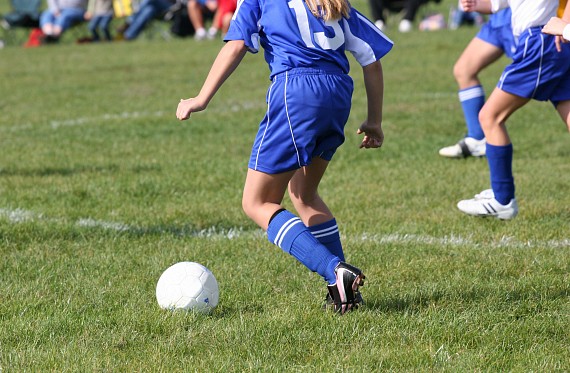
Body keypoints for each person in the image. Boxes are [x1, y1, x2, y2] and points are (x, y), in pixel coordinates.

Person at [176, 0, 393, 313]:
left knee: (257, 203)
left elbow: (236, 44)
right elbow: (371, 60)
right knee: (304, 193)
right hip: (338, 94)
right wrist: (374, 120)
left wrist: (201, 97)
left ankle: (334, 270)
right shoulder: (332, 2)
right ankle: (344, 295)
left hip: (297, 91)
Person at [456, 0, 570, 220]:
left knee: (490, 116)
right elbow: (501, 3)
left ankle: (503, 199)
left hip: (541, 41)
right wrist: (476, 4)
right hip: (549, 41)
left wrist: (565, 23)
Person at [439, 7, 514, 158]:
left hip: (521, 19)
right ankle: (478, 139)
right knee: (464, 70)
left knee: (552, 83)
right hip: (498, 19)